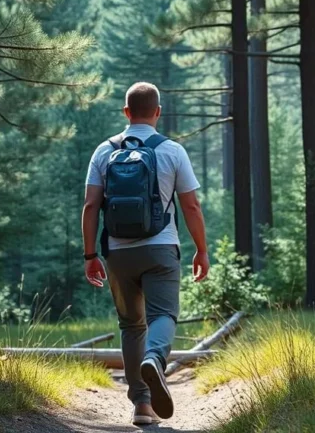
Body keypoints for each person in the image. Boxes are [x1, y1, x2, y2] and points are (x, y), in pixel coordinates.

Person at [81, 82, 210, 425]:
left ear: (126, 112)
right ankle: (155, 358)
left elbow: (91, 205)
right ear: (157, 112)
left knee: (130, 325)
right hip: (161, 248)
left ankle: (141, 404)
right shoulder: (172, 150)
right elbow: (191, 207)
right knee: (163, 315)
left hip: (118, 253)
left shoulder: (104, 151)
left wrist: (90, 255)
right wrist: (201, 250)